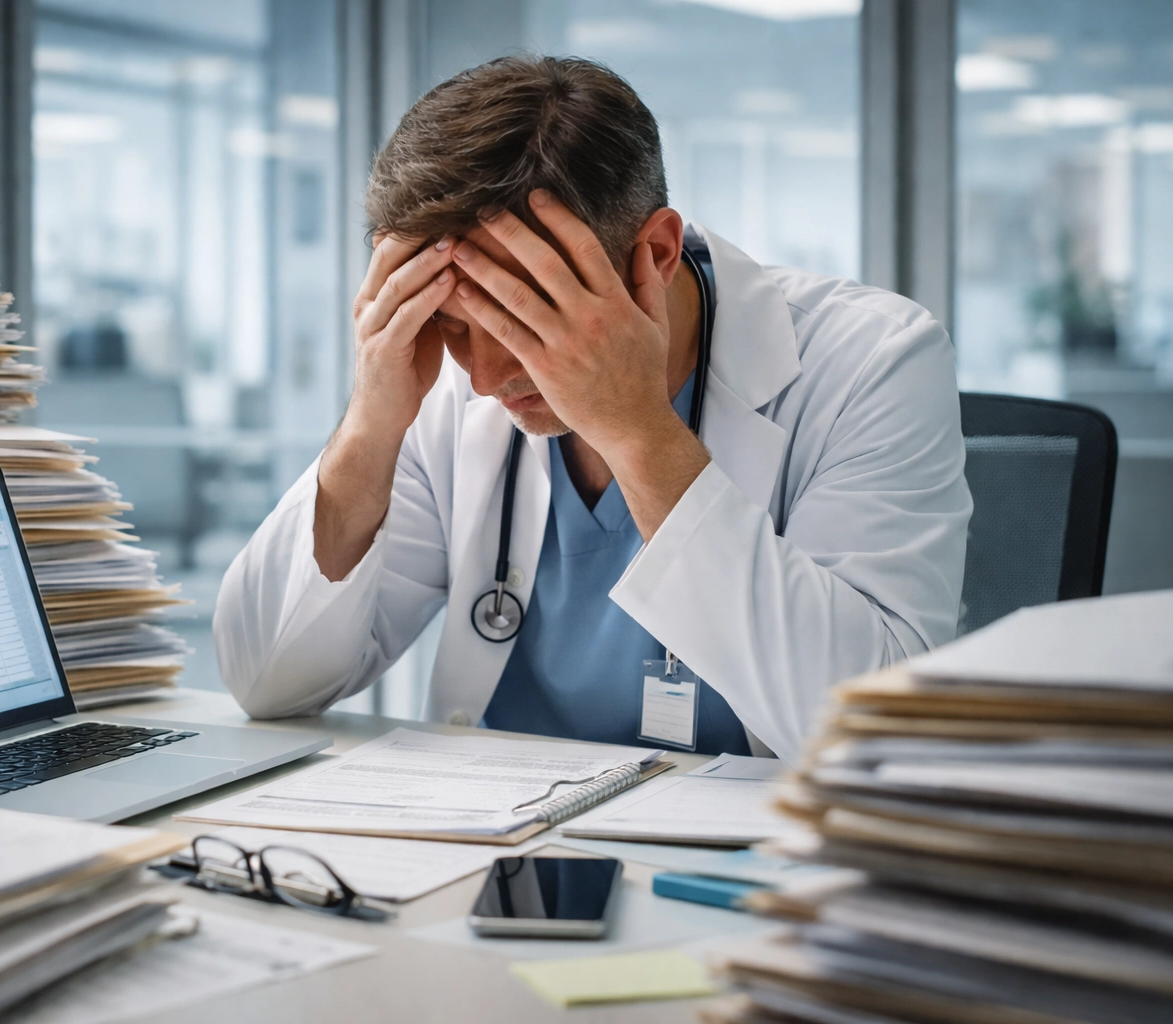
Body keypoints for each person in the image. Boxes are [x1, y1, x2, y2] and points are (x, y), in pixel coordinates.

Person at [213, 56, 971, 762]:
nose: (481, 377)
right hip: (500, 857)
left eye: (529, 319)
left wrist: (638, 431)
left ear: (657, 255)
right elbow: (266, 682)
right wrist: (369, 427)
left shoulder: (873, 360)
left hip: (742, 873)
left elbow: (866, 732)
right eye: (451, 327)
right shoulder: (442, 385)